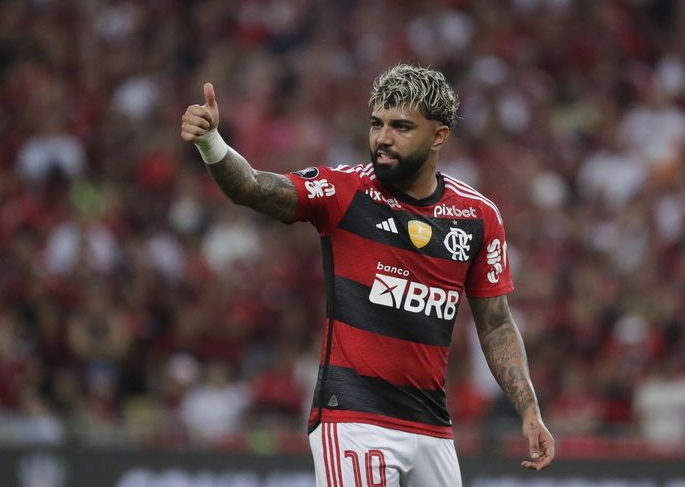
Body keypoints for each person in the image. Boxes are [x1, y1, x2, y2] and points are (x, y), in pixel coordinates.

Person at [179, 64, 555, 485]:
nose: (383, 138)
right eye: (377, 124)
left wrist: (529, 409)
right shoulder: (345, 190)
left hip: (432, 426)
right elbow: (250, 186)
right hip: (354, 420)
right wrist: (212, 142)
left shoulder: (477, 216)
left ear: (438, 136)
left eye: (401, 126)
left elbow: (497, 324)